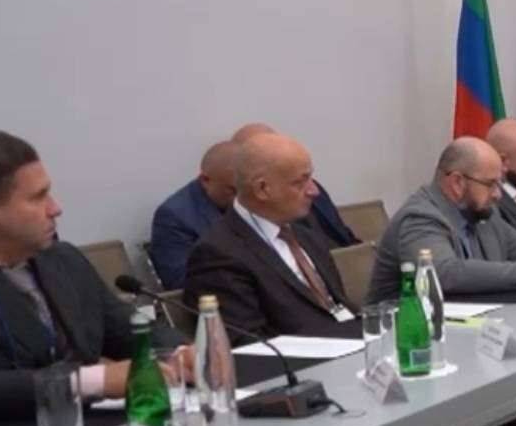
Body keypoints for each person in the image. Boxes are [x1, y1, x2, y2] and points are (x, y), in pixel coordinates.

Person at [0, 131, 186, 419]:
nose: (56, 209)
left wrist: (178, 353)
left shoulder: (63, 259)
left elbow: (124, 328)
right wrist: (96, 381)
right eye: (38, 198)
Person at [182, 133, 357, 342]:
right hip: (306, 358)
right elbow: (246, 343)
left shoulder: (306, 235)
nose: (314, 191)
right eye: (300, 182)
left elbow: (338, 305)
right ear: (262, 189)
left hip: (354, 342)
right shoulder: (217, 253)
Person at [367, 138, 516, 303]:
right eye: (490, 184)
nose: (498, 195)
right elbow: (445, 273)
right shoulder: (421, 217)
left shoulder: (481, 211)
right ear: (457, 182)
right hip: (402, 333)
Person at [232, 122, 358, 248]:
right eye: (263, 152)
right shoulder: (234, 242)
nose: (313, 191)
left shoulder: (313, 189)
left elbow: (344, 235)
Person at [147, 140, 239, 289]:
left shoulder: (252, 201)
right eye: (233, 190)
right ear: (205, 180)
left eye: (244, 189)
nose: (240, 198)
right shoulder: (174, 217)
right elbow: (179, 281)